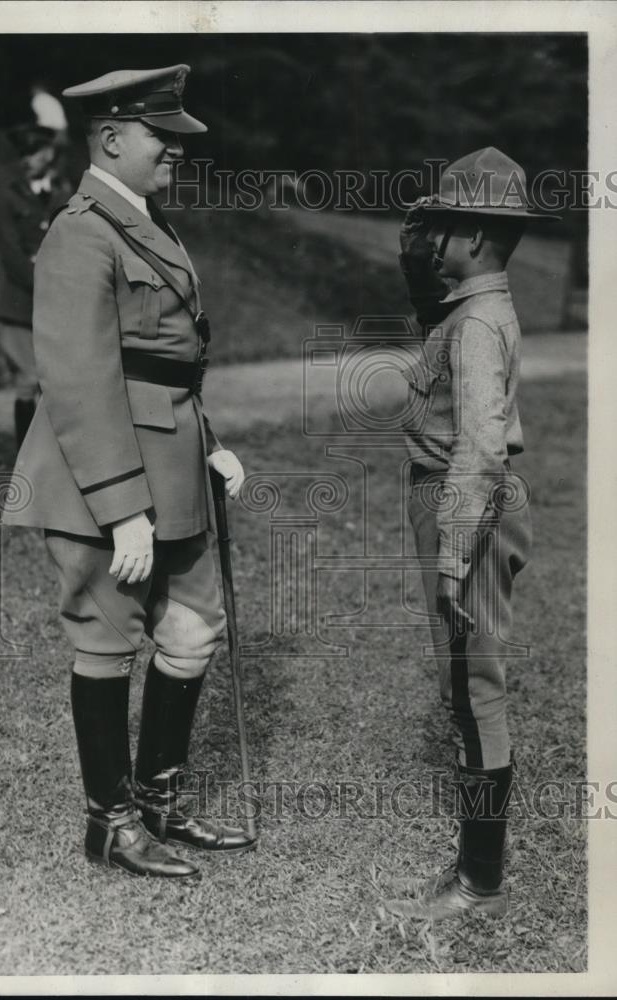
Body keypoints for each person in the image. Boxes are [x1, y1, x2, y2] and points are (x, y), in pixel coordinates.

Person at [2, 65, 255, 880]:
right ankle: (109, 823)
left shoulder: (145, 219)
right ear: (112, 139)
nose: (177, 150)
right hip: (99, 471)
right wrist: (122, 510)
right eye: (163, 136)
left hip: (172, 456)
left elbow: (167, 358)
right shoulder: (81, 230)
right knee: (108, 640)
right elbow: (78, 377)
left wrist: (204, 440)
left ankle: (158, 800)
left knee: (192, 629)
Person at [385, 148, 557, 920]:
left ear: (478, 238)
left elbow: (482, 445)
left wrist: (453, 552)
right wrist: (422, 245)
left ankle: (478, 881)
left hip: (469, 508)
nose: (431, 239)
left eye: (446, 225)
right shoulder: (469, 308)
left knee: (473, 685)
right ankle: (475, 871)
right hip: (463, 501)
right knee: (465, 683)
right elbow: (429, 290)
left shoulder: (479, 324)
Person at [0, 121, 71, 447]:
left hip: (59, 305)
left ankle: (56, 453)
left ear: (49, 153)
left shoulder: (65, 193)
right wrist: (43, 276)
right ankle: (26, 454)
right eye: (22, 154)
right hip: (22, 305)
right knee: (28, 380)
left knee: (58, 381)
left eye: (33, 152)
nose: (26, 159)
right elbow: (11, 256)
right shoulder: (9, 198)